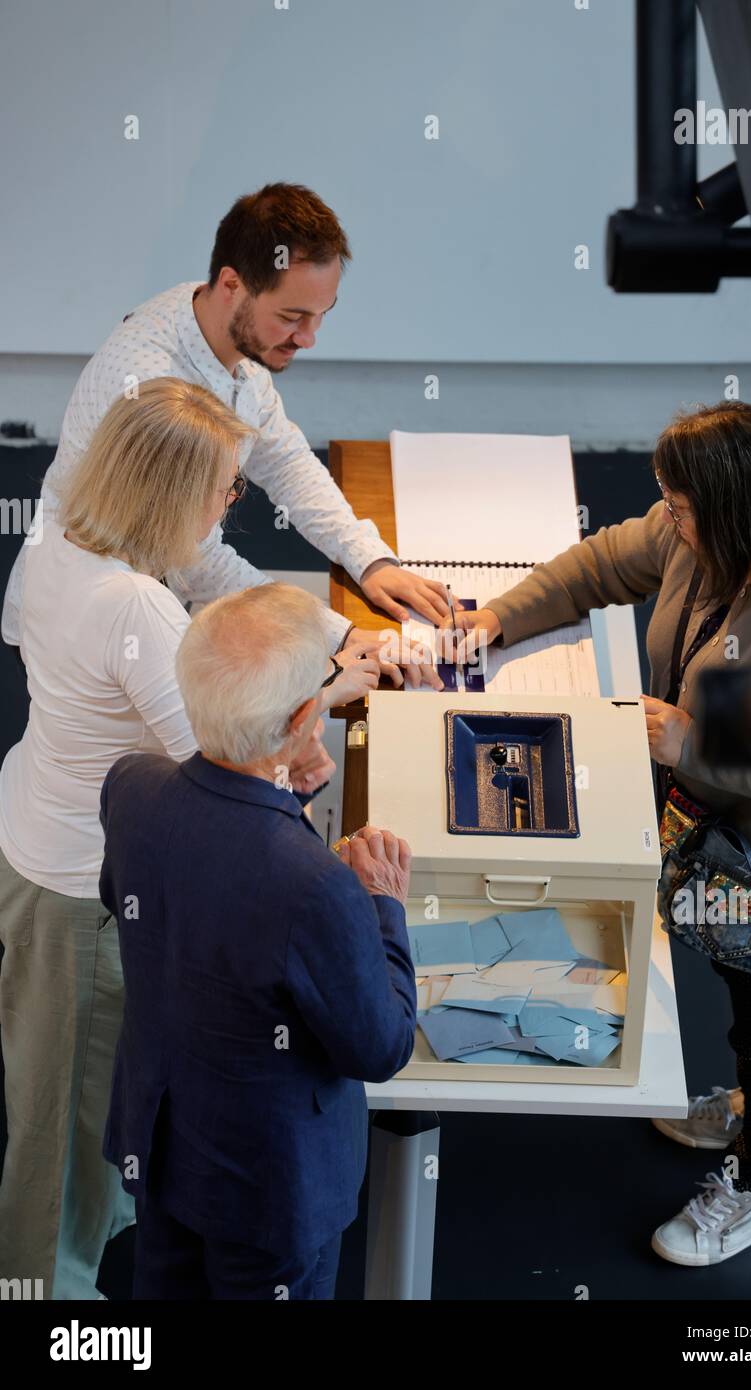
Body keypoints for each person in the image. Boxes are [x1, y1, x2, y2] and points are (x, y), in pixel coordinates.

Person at [450, 400, 751, 1267]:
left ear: (732, 505)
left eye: (676, 505)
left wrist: (695, 745)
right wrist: (498, 619)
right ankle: (750, 1110)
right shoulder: (695, 535)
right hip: (717, 836)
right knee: (733, 983)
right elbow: (601, 561)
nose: (663, 520)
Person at [0, 378, 377, 1299]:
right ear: (172, 494)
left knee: (62, 1092)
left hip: (34, 835)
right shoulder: (135, 606)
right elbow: (221, 760)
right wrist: (319, 701)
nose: (229, 504)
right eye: (224, 490)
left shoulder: (53, 544)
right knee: (59, 1155)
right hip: (80, 892)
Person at [99, 584, 416, 1299]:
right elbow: (381, 1045)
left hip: (164, 1149)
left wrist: (281, 796)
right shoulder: (317, 887)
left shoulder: (130, 788)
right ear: (307, 717)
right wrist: (384, 906)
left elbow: (172, 898)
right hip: (270, 1193)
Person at [1, 181, 447, 685]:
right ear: (233, 284)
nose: (309, 338)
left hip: (150, 604)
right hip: (82, 635)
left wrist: (368, 559)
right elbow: (196, 561)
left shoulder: (219, 323)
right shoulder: (155, 386)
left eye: (322, 314)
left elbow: (284, 459)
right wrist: (335, 634)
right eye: (292, 317)